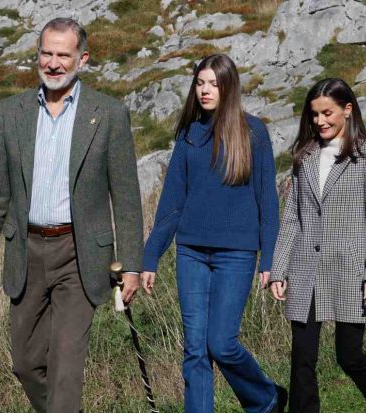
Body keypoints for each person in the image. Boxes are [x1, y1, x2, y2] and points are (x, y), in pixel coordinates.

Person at [0, 18, 144, 413]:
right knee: (27, 365)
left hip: (79, 255)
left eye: (62, 55)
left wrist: (132, 264)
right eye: (46, 53)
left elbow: (128, 198)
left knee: (66, 369)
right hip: (25, 253)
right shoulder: (11, 112)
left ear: (82, 58)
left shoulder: (109, 114)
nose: (53, 63)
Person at [141, 54, 286, 413]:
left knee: (221, 344)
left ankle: (265, 398)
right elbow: (171, 203)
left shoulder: (254, 132)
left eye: (214, 84)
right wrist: (150, 257)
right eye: (200, 83)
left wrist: (271, 260)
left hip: (236, 255)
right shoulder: (189, 134)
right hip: (190, 252)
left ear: (228, 88)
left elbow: (268, 202)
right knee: (194, 348)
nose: (205, 90)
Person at [269, 78, 366, 413]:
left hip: (350, 269)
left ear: (347, 109)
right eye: (314, 115)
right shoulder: (305, 156)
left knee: (350, 356)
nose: (320, 121)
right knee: (302, 359)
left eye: (327, 113)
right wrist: (278, 270)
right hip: (305, 269)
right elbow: (293, 219)